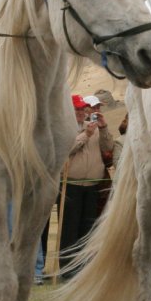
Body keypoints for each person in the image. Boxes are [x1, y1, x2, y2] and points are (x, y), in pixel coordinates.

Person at [59, 94, 112, 276]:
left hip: (92, 185)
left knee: (87, 227)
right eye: (77, 109)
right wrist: (85, 135)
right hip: (71, 184)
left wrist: (103, 128)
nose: (81, 112)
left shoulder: (94, 127)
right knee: (70, 228)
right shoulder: (65, 128)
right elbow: (66, 150)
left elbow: (108, 147)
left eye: (83, 109)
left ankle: (84, 266)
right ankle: (67, 267)